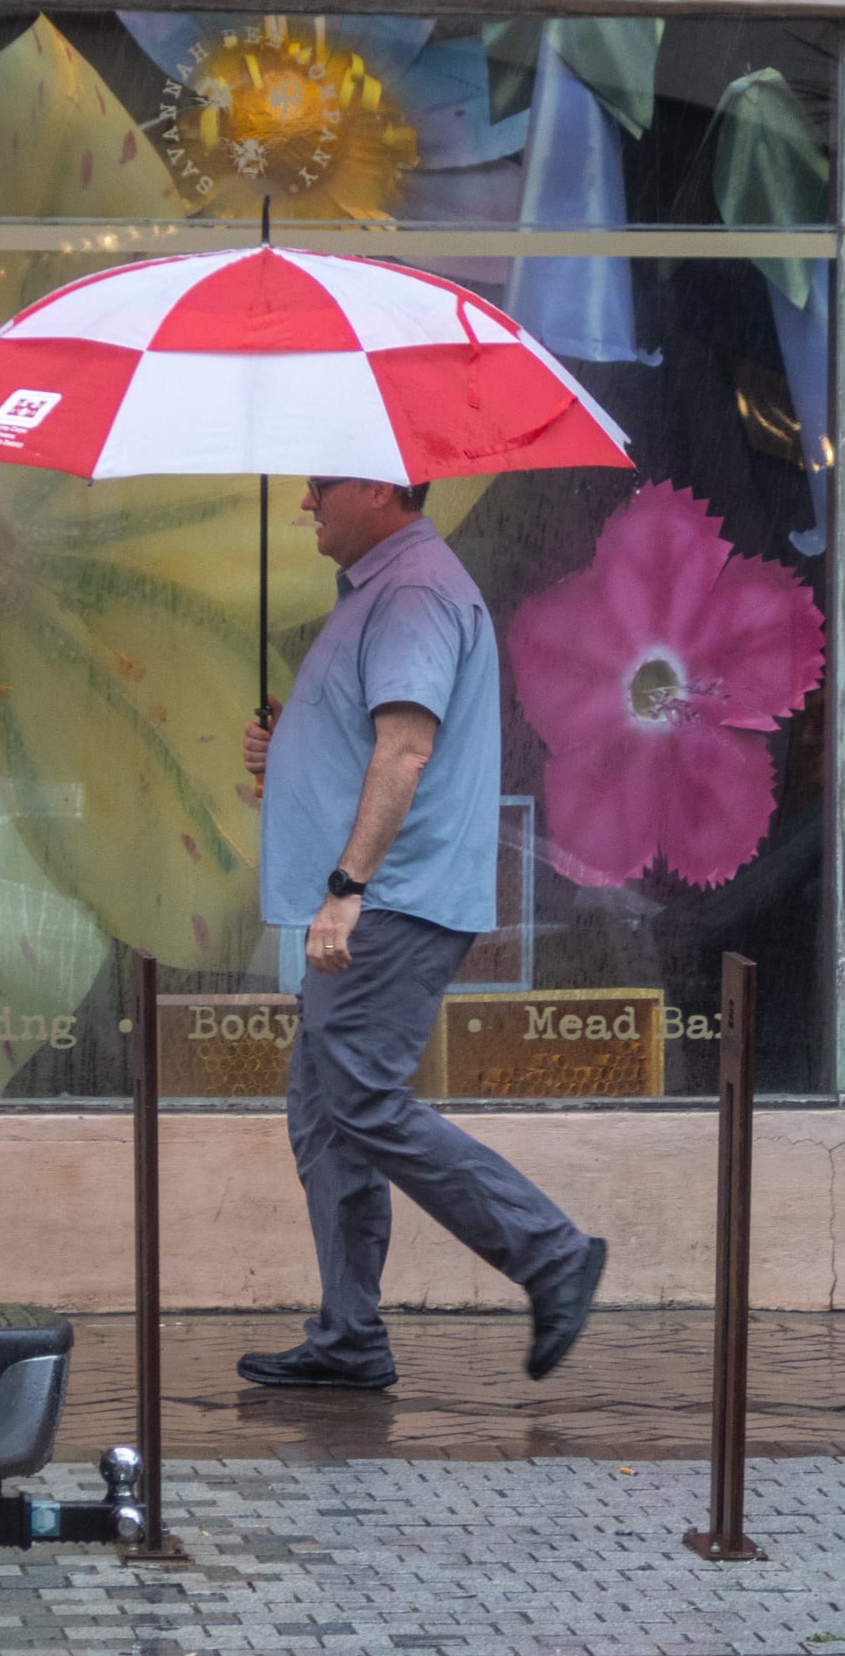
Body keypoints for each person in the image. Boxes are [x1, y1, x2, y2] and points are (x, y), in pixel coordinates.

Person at [237, 475, 609, 1391]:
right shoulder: (385, 591)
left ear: (377, 485)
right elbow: (377, 740)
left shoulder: (410, 592)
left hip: (389, 901)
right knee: (327, 1121)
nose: (306, 502)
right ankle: (350, 1337)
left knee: (359, 1098)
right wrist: (295, 739)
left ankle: (550, 1253)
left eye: (323, 486)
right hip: (382, 898)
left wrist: (346, 887)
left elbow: (407, 750)